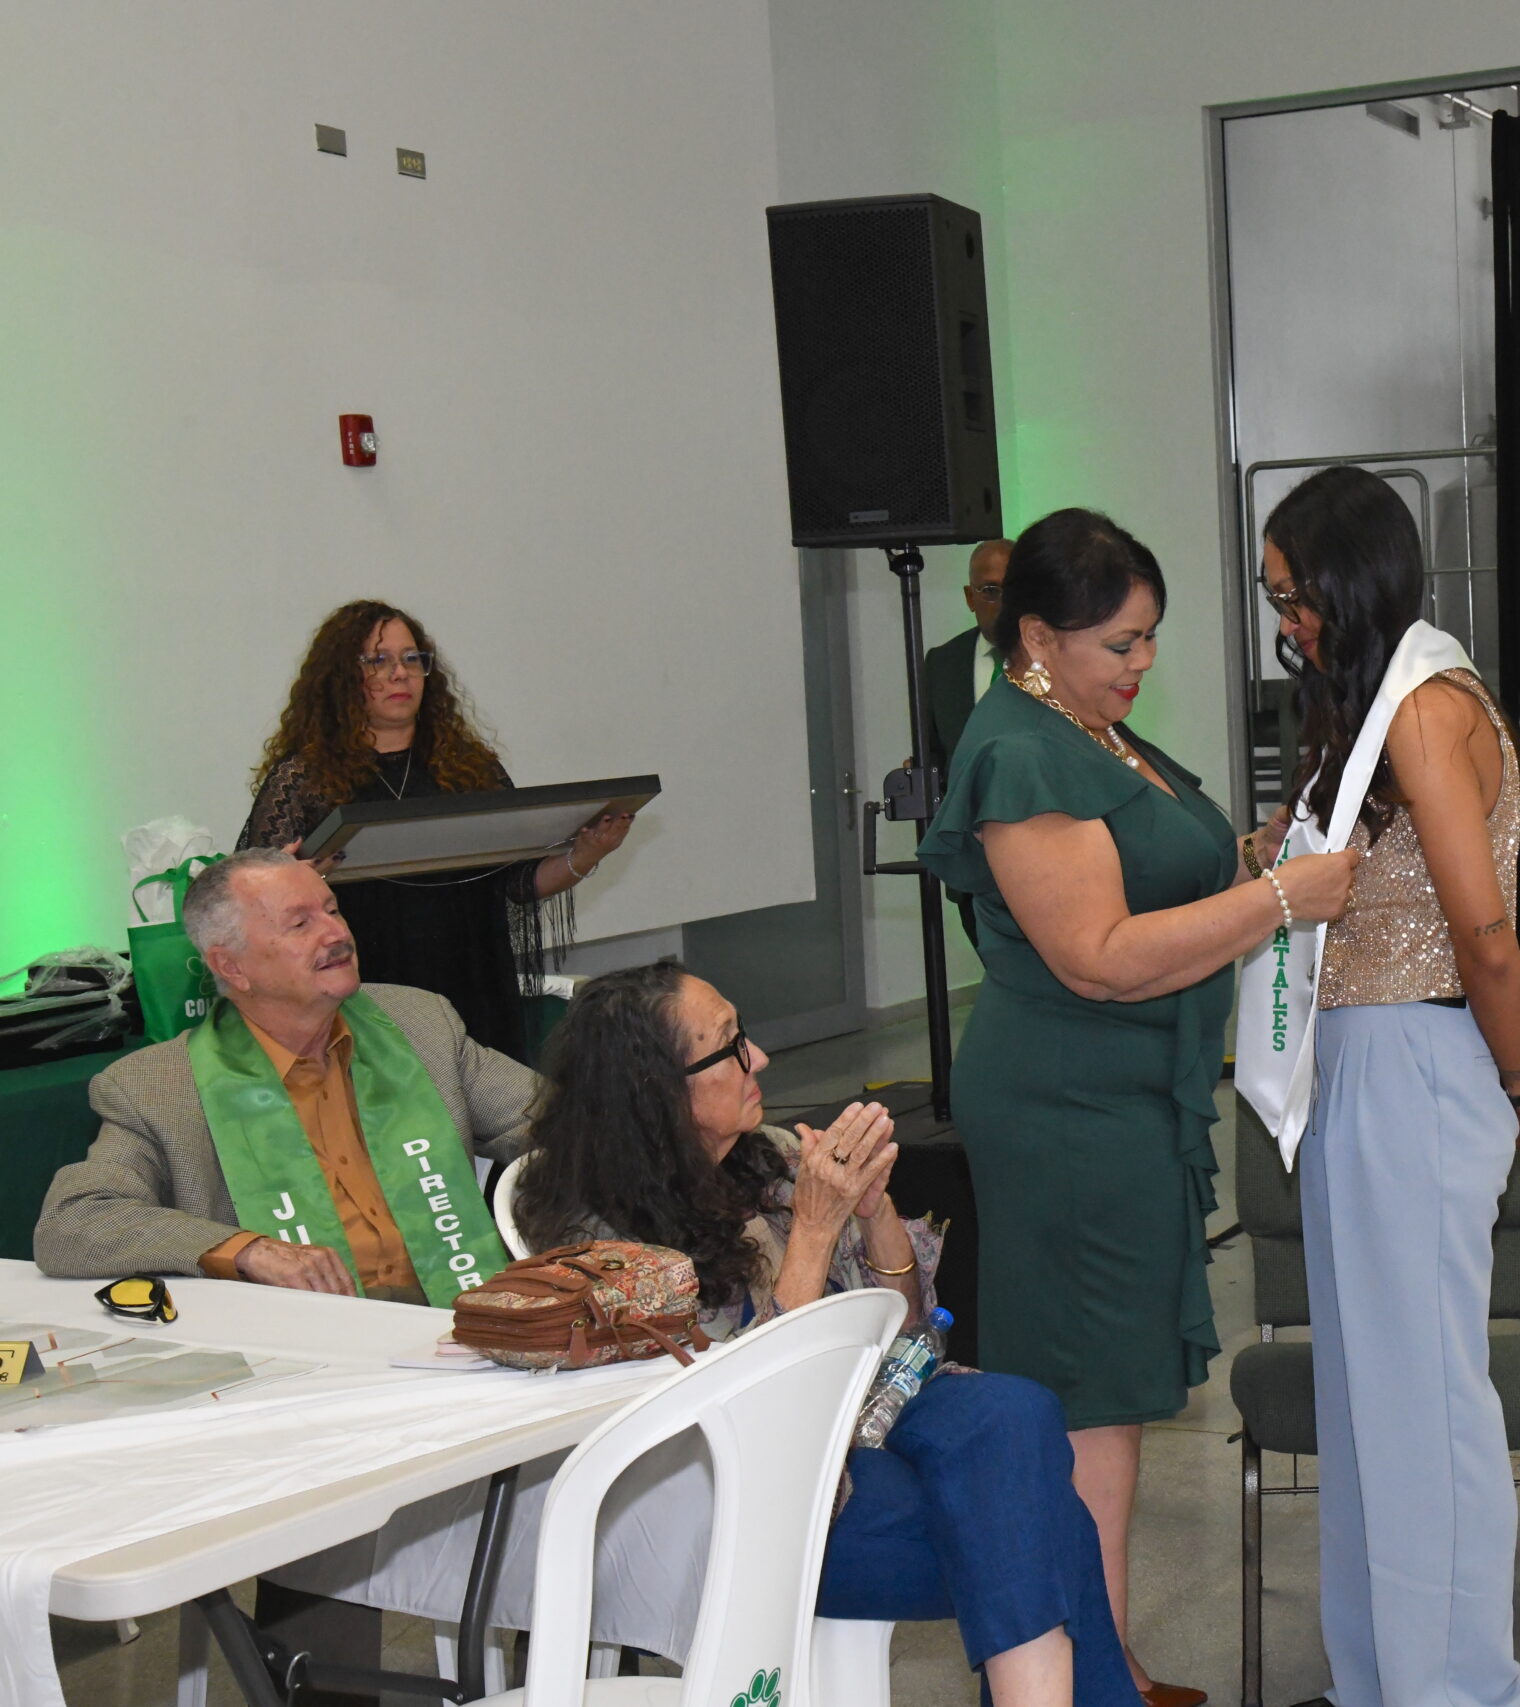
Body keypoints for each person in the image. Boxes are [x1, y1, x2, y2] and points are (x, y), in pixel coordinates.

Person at [917, 508, 1362, 1707]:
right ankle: (1082, 1672)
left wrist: (1257, 855)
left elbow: (1164, 878)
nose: (1143, 663)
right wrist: (1281, 898)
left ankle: (1097, 1659)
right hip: (1067, 1101)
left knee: (1101, 1396)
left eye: (1150, 637)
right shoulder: (1021, 751)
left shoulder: (1086, 725)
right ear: (1038, 637)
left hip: (1122, 1093)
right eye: (1120, 643)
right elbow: (1101, 957)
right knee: (1082, 1394)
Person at [511, 963, 1130, 1707]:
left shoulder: (768, 1157)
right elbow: (755, 1407)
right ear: (659, 1090)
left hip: (866, 1415)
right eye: (730, 1046)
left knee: (1017, 1412)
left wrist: (873, 1211)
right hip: (745, 1484)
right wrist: (811, 1229)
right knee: (1043, 1522)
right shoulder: (604, 1244)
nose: (760, 1057)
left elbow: (909, 1336)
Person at [1257, 466, 1520, 1707]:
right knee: (1364, 1402)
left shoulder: (1429, 708)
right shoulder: (1376, 707)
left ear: (1352, 582)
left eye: (1296, 597)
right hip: (1362, 1062)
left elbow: (1484, 937)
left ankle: (1458, 1689)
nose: (1288, 623)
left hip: (1420, 1061)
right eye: (1276, 599)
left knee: (1425, 1407)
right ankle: (1378, 1682)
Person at [37, 846, 533, 1300]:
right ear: (231, 967)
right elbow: (73, 1221)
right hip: (303, 1342)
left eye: (333, 910)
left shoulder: (417, 1023)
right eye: (300, 924)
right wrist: (247, 1251)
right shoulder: (159, 1087)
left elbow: (557, 1124)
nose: (336, 934)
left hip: (467, 1307)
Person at [240, 600, 636, 1061]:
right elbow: (252, 900)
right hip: (367, 990)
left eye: (412, 659)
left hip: (474, 981)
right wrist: (300, 881)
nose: (400, 674)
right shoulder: (304, 779)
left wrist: (589, 852)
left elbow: (517, 883)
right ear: (341, 677)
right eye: (378, 660)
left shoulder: (470, 768)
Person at [923, 539, 1014, 947]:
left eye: (1016, 588)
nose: (1005, 602)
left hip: (1048, 858)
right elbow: (934, 754)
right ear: (969, 597)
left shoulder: (1060, 659)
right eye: (990, 590)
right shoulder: (943, 663)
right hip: (972, 866)